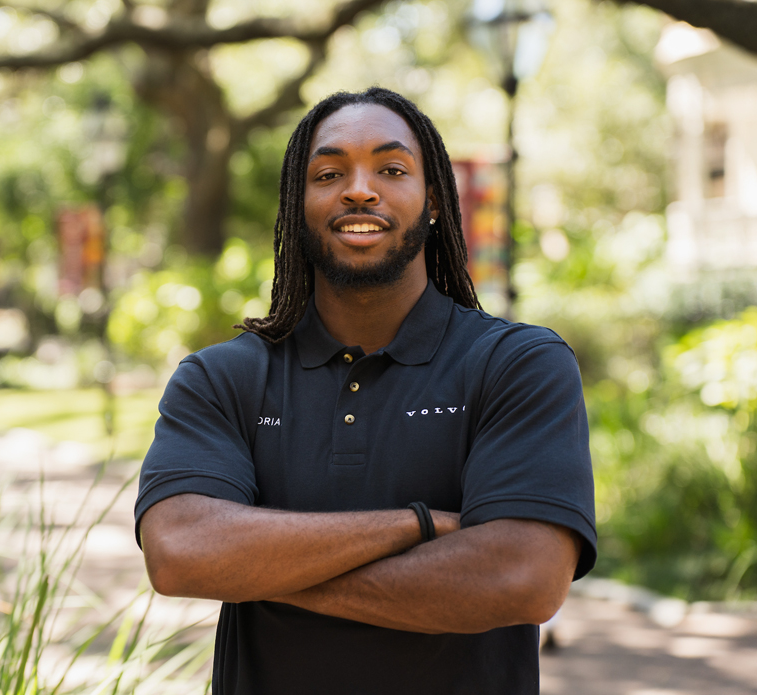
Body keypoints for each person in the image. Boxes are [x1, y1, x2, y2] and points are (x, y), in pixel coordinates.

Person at [134, 87, 596, 694]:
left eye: (391, 168)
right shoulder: (223, 378)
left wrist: (258, 570)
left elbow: (524, 576)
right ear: (298, 205)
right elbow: (180, 552)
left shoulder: (517, 365)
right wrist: (421, 525)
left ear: (433, 202)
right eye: (328, 173)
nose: (358, 189)